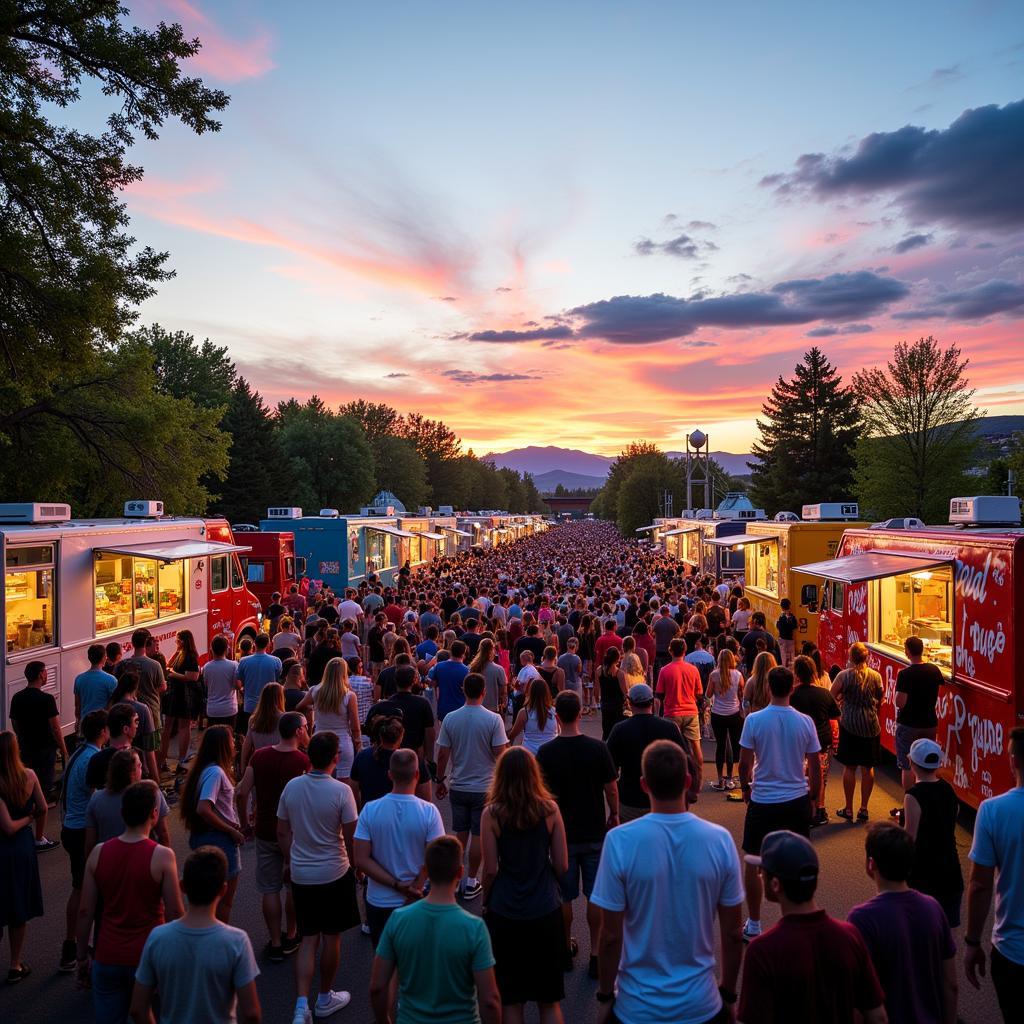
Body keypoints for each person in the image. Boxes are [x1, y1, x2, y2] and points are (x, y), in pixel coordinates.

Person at [591, 739, 744, 1024]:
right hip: (701, 1004)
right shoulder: (719, 839)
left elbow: (610, 936)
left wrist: (604, 996)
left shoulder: (620, 840)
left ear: (644, 784)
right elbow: (734, 932)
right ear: (688, 781)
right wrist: (728, 993)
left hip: (636, 1007)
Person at [738, 830, 886, 1024]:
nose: (760, 874)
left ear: (775, 884)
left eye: (762, 870)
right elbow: (878, 1016)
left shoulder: (762, 950)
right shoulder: (849, 936)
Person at [75, 780, 183, 1023]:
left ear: (123, 813)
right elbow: (176, 912)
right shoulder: (163, 856)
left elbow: (85, 912)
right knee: (145, 1013)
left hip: (108, 955)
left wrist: (82, 956)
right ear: (154, 815)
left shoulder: (98, 853)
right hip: (148, 956)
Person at [370, 836, 501, 1024]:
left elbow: (377, 986)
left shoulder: (399, 919)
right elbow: (490, 1000)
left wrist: (384, 1020)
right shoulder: (474, 928)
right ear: (460, 872)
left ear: (426, 871)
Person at [277, 731, 360, 1024]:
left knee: (308, 938)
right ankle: (324, 996)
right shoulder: (341, 791)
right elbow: (351, 835)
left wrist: (289, 859)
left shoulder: (292, 787)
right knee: (332, 937)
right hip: (334, 870)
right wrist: (356, 865)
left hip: (302, 871)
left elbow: (282, 831)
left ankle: (301, 1005)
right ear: (336, 758)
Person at [480, 746, 569, 1022]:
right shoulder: (550, 809)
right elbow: (563, 865)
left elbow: (491, 869)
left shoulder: (492, 814)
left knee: (511, 1000)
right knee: (548, 1001)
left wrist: (485, 901)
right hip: (545, 907)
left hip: (506, 910)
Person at [537, 690, 618, 978]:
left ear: (556, 716)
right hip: (594, 829)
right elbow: (610, 786)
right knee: (595, 895)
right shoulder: (598, 749)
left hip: (562, 834)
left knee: (564, 896)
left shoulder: (546, 753)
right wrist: (615, 813)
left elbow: (541, 796)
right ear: (581, 713)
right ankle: (595, 953)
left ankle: (563, 949)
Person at [131, 846, 261, 1024]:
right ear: (223, 890)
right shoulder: (236, 941)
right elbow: (251, 1013)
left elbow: (138, 1010)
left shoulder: (158, 937)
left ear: (183, 886)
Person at [738, 667, 821, 941]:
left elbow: (745, 763)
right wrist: (814, 798)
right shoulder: (805, 722)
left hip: (763, 798)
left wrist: (746, 788)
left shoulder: (754, 720)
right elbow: (816, 768)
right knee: (799, 858)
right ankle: (800, 917)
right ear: (792, 688)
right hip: (796, 797)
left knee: (752, 859)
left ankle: (754, 922)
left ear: (769, 688)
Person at [848, 822, 958, 1024]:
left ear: (870, 864)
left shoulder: (862, 918)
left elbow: (860, 997)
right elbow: (950, 984)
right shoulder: (933, 907)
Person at [235, 711, 310, 962]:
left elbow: (242, 792)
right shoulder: (303, 761)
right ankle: (292, 934)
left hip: (266, 828)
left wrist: (245, 823)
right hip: (294, 832)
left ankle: (275, 942)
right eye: (306, 727)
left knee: (269, 888)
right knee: (292, 885)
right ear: (298, 731)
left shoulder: (260, 756)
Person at [354, 748, 444, 948]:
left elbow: (361, 859)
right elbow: (435, 857)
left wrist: (396, 884)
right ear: (417, 775)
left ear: (389, 775)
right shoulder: (430, 812)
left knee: (383, 961)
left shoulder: (370, 810)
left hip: (379, 901)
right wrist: (416, 888)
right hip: (419, 900)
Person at [964, 725, 1024, 1021]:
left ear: (1012, 760)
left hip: (1013, 950)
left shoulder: (993, 811)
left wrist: (972, 941)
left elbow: (979, 885)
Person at [435, 672, 509, 900]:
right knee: (479, 834)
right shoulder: (494, 719)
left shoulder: (450, 718)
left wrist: (440, 780)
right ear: (484, 692)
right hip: (484, 786)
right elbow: (501, 754)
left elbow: (443, 754)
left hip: (459, 783)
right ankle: (471, 880)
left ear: (463, 691)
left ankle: (456, 878)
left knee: (460, 832)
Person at [59, 709, 109, 973]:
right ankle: (75, 949)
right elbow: (96, 796)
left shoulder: (79, 753)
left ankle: (75, 945)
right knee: (85, 890)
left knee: (80, 887)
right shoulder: (93, 758)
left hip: (70, 825)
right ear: (103, 732)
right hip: (81, 830)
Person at [179, 725, 244, 922]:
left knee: (208, 898)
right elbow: (204, 808)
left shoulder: (206, 769)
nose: (234, 744)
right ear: (223, 746)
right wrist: (230, 829)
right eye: (232, 741)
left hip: (206, 835)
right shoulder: (216, 773)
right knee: (223, 900)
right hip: (219, 840)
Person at [0, 731, 46, 983]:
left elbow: (5, 826)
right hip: (21, 848)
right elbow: (41, 807)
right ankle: (15, 964)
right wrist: (33, 826)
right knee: (19, 904)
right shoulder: (29, 776)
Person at [903, 738, 964, 928]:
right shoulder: (949, 789)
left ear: (912, 763)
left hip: (924, 873)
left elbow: (910, 838)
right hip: (951, 870)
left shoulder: (913, 795)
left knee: (920, 932)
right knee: (946, 937)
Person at [607, 683, 689, 822]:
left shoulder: (619, 730)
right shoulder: (669, 728)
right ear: (652, 702)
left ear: (629, 702)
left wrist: (614, 809)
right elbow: (685, 763)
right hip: (664, 800)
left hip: (630, 801)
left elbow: (609, 770)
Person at [9, 659, 66, 849]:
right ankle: (39, 837)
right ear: (41, 675)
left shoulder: (17, 698)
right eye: (45, 672)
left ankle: (20, 825)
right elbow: (56, 729)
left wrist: (23, 737)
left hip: (25, 749)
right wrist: (64, 750)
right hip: (45, 751)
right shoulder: (47, 700)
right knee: (41, 793)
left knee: (24, 789)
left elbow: (15, 723)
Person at [831, 642, 884, 823]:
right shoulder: (876, 676)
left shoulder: (844, 676)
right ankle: (864, 808)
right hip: (871, 725)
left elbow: (831, 696)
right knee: (868, 767)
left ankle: (848, 808)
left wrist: (841, 703)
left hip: (850, 725)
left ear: (850, 657)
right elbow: (880, 699)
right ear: (866, 657)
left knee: (850, 767)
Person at [85, 746, 172, 851]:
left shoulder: (96, 799)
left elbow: (90, 843)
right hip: (144, 858)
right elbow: (163, 833)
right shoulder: (151, 792)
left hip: (110, 859)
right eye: (139, 766)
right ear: (131, 773)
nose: (142, 769)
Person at [790, 654, 840, 827]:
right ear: (813, 672)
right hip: (821, 741)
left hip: (798, 742)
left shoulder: (792, 695)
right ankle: (819, 809)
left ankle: (800, 807)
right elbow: (834, 717)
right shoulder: (824, 694)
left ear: (796, 673)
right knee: (820, 777)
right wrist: (835, 742)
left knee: (799, 775)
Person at [893, 636, 945, 799]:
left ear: (907, 651)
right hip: (929, 722)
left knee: (907, 764)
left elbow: (900, 703)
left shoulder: (905, 675)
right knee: (928, 759)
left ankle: (911, 798)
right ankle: (928, 797)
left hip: (909, 724)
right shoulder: (934, 670)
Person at [298, 657, 361, 782]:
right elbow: (355, 726)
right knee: (344, 784)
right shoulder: (348, 695)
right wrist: (358, 744)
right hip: (342, 741)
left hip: (319, 740)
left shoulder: (315, 691)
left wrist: (315, 707)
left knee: (319, 780)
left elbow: (300, 706)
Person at [655, 637, 704, 791]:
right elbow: (699, 693)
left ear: (670, 650)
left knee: (670, 748)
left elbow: (659, 694)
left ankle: (672, 780)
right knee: (696, 746)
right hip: (690, 710)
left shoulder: (665, 670)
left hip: (672, 712)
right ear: (685, 651)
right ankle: (698, 780)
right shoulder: (693, 669)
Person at [351, 716, 433, 806]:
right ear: (401, 736)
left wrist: (361, 810)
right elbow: (426, 796)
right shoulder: (412, 759)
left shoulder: (362, 757)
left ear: (380, 735)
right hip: (405, 813)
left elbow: (354, 789)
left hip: (372, 814)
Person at [114, 628, 167, 757]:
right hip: (152, 712)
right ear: (147, 642)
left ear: (132, 643)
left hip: (127, 714)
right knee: (151, 750)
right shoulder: (154, 665)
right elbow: (162, 687)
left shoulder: (122, 665)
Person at [364, 664, 435, 759]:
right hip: (412, 756)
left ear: (395, 680)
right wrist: (429, 758)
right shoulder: (422, 704)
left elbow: (369, 732)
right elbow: (429, 733)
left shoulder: (380, 707)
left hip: (386, 756)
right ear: (414, 681)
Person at [159, 628, 202, 773]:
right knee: (169, 727)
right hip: (175, 694)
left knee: (183, 727)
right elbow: (168, 666)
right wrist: (175, 653)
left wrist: (173, 674)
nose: (175, 642)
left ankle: (181, 759)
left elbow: (193, 677)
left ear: (183, 641)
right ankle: (163, 758)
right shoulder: (180, 654)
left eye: (177, 640)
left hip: (183, 695)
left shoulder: (190, 657)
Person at [707, 647, 744, 791]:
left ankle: (720, 779)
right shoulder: (738, 675)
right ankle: (731, 777)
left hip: (718, 714)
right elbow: (742, 693)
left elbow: (708, 694)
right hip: (734, 714)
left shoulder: (714, 675)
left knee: (721, 746)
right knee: (735, 746)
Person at [236, 633, 282, 736]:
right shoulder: (276, 661)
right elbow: (277, 679)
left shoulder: (243, 661)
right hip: (269, 705)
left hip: (250, 705)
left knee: (250, 734)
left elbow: (239, 681)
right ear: (268, 644)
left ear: (254, 644)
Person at [240, 682, 286, 775]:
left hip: (258, 763)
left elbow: (247, 746)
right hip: (279, 764)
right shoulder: (285, 718)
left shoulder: (254, 719)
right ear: (280, 698)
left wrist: (243, 767)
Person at [508, 674, 558, 754]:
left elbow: (513, 734)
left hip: (530, 753)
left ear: (530, 692)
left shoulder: (524, 712)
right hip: (551, 753)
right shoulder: (554, 712)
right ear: (547, 693)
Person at [74, 643, 118, 729]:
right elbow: (114, 706)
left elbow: (77, 705)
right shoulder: (112, 680)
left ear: (89, 658)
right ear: (103, 658)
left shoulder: (79, 679)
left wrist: (78, 721)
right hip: (102, 725)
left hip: (85, 723)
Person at [202, 634, 241, 728]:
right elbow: (238, 686)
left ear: (212, 649)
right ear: (226, 649)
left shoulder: (207, 667)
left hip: (213, 710)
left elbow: (206, 685)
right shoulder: (234, 665)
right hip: (229, 709)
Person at [470, 637, 509, 716]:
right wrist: (504, 705)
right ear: (492, 650)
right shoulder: (498, 669)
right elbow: (504, 692)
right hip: (492, 708)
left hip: (474, 706)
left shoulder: (472, 668)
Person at [433, 639, 470, 721]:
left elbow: (434, 685)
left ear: (450, 651)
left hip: (443, 709)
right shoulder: (466, 671)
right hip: (460, 711)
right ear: (463, 654)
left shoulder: (439, 666)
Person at [598, 646, 626, 741]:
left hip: (605, 704)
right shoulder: (619, 673)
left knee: (606, 730)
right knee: (618, 731)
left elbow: (596, 690)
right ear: (617, 658)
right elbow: (625, 692)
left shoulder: (599, 671)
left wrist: (598, 701)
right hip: (618, 706)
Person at [775, 599, 798, 669]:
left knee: (783, 657)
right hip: (791, 640)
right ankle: (791, 670)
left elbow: (778, 627)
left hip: (782, 639)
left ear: (781, 607)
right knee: (791, 658)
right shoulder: (793, 617)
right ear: (789, 606)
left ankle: (784, 670)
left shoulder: (781, 617)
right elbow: (795, 627)